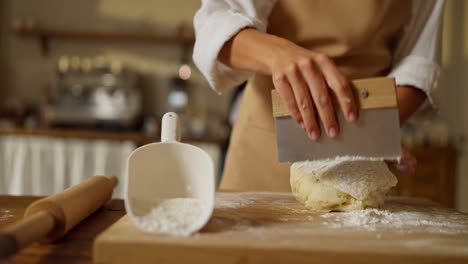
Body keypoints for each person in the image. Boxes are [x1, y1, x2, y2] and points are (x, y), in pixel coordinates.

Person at [193, 0, 444, 191]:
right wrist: (277, 54)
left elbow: (419, 59)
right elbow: (215, 24)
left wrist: (369, 132)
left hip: (364, 153)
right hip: (265, 150)